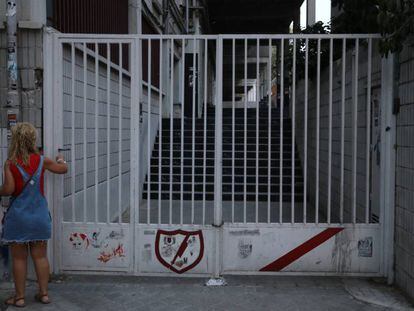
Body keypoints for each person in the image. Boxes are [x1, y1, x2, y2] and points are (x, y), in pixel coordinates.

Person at [0, 123, 68, 308]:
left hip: (18, 218)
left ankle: (20, 298)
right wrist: (61, 159)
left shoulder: (10, 163)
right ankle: (44, 294)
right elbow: (63, 169)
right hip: (38, 218)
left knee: (19, 259)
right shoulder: (41, 160)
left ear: (15, 141)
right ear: (32, 140)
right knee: (40, 257)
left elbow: (8, 190)